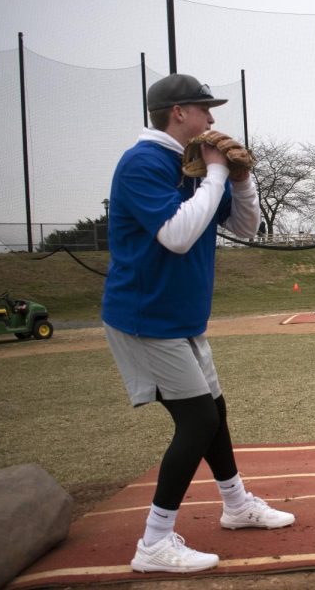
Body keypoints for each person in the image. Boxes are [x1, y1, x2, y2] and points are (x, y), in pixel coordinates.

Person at [101, 73, 295, 575]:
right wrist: (213, 174)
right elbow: (177, 236)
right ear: (178, 112)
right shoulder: (143, 162)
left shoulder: (191, 165)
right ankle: (154, 544)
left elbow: (246, 227)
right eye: (205, 110)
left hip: (181, 317)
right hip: (146, 318)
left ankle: (236, 506)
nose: (213, 120)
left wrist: (240, 179)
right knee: (197, 421)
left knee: (214, 410)